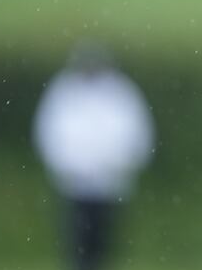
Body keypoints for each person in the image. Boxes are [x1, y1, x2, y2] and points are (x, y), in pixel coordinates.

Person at [33, 42, 155, 270]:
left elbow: (135, 134)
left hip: (110, 185)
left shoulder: (119, 93)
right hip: (75, 185)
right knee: (77, 243)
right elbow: (51, 133)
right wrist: (68, 166)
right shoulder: (65, 92)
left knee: (104, 244)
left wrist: (120, 164)